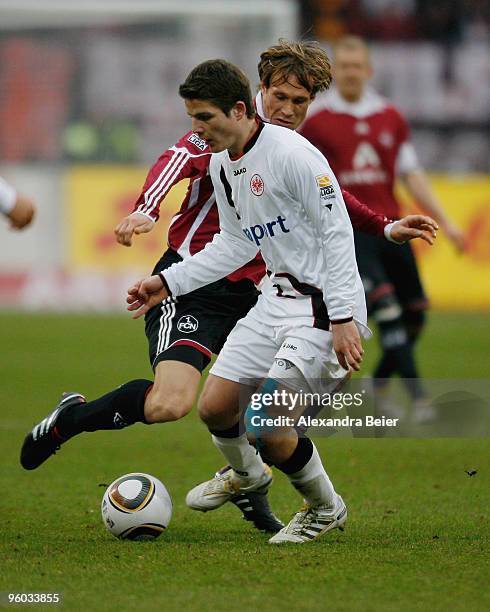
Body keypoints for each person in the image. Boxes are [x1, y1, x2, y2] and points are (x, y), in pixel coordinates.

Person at [20, 42, 436, 534]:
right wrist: (156, 241)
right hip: (213, 285)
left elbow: (332, 212)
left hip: (294, 298)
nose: (287, 111)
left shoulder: (289, 150)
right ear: (256, 95)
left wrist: (377, 242)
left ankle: (306, 496)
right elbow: (188, 176)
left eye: (300, 103)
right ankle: (243, 473)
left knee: (269, 415)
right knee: (196, 406)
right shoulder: (218, 137)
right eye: (279, 97)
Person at [125, 57, 372, 545]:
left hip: (322, 309)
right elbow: (236, 244)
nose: (196, 130)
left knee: (266, 425)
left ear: (238, 110)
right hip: (273, 299)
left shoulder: (295, 156)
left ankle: (326, 508)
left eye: (204, 119)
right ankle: (248, 476)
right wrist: (169, 283)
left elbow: (338, 232)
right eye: (192, 118)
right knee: (216, 408)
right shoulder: (223, 163)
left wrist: (343, 317)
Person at [299, 36, 464, 422]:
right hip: (351, 232)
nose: (351, 73)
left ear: (369, 71)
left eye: (358, 66)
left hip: (394, 225)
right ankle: (420, 401)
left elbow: (412, 174)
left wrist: (449, 223)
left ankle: (378, 387)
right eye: (345, 66)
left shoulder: (390, 116)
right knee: (386, 309)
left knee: (415, 315)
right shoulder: (317, 120)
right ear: (334, 71)